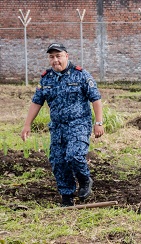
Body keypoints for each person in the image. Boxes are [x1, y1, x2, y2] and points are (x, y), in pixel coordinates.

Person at [20, 43, 104, 207]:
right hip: (57, 127)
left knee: (74, 155)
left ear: (66, 56)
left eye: (58, 56)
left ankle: (85, 180)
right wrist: (27, 125)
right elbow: (37, 102)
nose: (55, 60)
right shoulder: (46, 78)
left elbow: (96, 99)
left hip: (78, 124)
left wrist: (98, 122)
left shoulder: (81, 75)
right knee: (58, 162)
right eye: (51, 57)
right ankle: (67, 197)